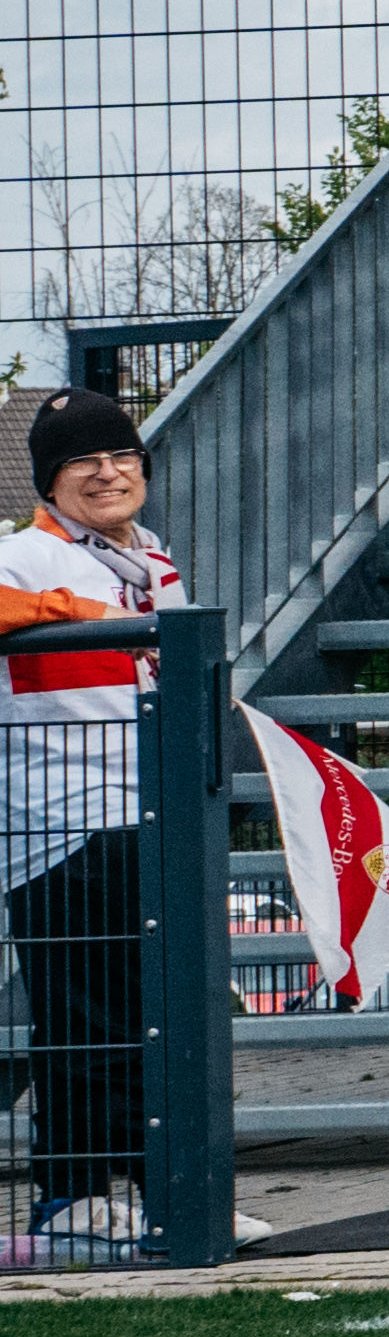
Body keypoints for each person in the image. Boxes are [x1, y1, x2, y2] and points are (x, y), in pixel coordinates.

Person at [0, 390, 179, 1242]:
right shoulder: (25, 555)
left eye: (122, 456)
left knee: (155, 1020)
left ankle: (161, 1194)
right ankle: (69, 1198)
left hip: (150, 815)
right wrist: (81, 614)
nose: (109, 473)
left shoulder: (156, 560)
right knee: (84, 1026)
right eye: (83, 462)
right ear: (50, 482)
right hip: (62, 826)